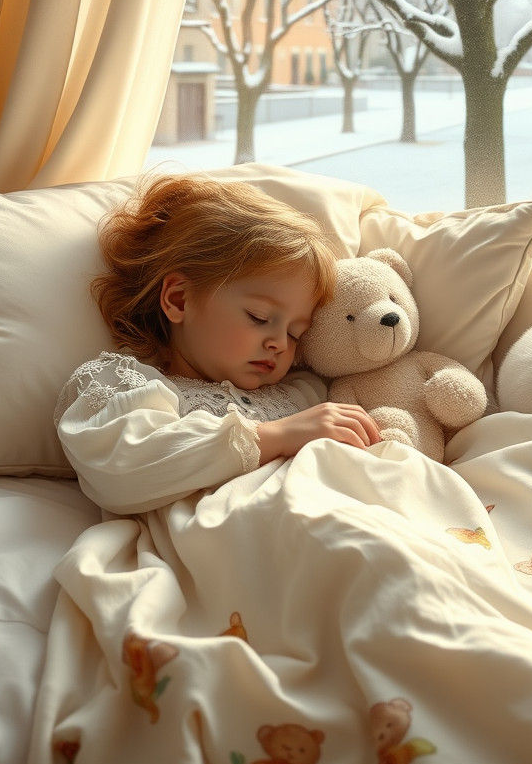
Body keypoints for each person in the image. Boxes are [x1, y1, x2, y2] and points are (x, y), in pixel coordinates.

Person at [54, 173, 380, 515]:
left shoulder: (301, 392)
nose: (280, 344)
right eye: (258, 316)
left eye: (297, 333)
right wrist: (274, 436)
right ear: (179, 300)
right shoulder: (125, 384)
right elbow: (120, 471)